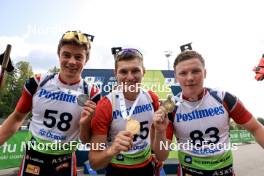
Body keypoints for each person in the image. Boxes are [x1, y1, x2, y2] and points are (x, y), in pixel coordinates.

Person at [0, 31, 100, 176]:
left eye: (78, 57)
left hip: (65, 161)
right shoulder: (38, 82)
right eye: (66, 55)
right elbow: (17, 118)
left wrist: (85, 124)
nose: (72, 61)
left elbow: (87, 140)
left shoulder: (92, 94)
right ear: (59, 54)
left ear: (86, 59)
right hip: (33, 158)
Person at [153, 50, 264, 176]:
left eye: (195, 71)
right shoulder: (170, 107)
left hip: (224, 172)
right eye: (183, 73)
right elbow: (161, 156)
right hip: (189, 172)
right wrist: (159, 131)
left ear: (205, 73)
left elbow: (256, 128)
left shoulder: (224, 98)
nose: (190, 78)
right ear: (176, 77)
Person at [89, 48, 164, 176]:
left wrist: (154, 151)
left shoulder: (152, 98)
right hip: (117, 169)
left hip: (146, 167)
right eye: (123, 72)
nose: (130, 77)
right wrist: (112, 150)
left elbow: (154, 136)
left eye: (135, 71)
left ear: (143, 72)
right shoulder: (106, 105)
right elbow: (94, 162)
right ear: (115, 74)